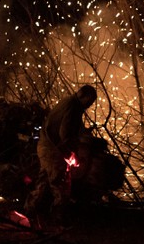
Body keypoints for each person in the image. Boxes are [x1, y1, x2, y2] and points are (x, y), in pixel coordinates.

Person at [24, 84, 97, 225]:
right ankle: (58, 221)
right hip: (53, 150)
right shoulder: (74, 106)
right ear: (83, 95)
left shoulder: (68, 102)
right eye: (89, 101)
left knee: (44, 182)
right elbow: (65, 133)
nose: (89, 105)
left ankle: (29, 212)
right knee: (61, 185)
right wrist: (71, 153)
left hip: (46, 147)